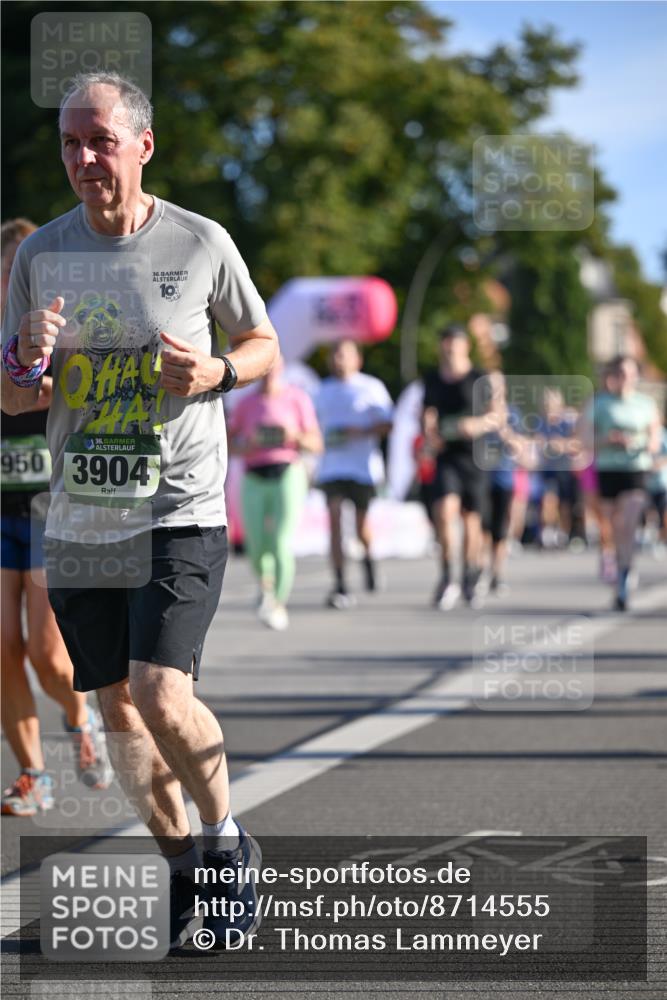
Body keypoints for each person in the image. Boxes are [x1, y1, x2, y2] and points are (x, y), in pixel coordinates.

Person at [1, 73, 279, 949]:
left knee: (162, 692)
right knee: (119, 714)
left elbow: (262, 342)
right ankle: (188, 873)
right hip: (82, 518)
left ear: (143, 145)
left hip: (179, 508)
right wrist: (23, 362)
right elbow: (13, 402)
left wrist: (217, 373)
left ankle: (227, 842)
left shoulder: (199, 243)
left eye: (101, 141)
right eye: (71, 144)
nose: (85, 159)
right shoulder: (39, 255)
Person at [1, 218, 111, 817]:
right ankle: (32, 775)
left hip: (52, 509)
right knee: (1, 648)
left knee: (47, 651)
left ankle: (78, 716)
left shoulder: (69, 330)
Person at [227, 355, 322, 630]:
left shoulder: (297, 399)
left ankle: (278, 603)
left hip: (287, 473)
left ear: (282, 369)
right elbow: (230, 443)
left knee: (280, 542)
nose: (269, 375)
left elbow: (316, 444)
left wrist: (294, 436)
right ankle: (266, 588)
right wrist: (249, 443)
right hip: (254, 475)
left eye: (274, 369)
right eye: (264, 370)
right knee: (257, 545)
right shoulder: (246, 404)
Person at [315, 339, 393, 608]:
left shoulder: (371, 387)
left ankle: (369, 560)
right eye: (335, 354)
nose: (339, 359)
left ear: (357, 359)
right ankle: (340, 584)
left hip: (363, 469)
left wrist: (360, 431)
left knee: (361, 528)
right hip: (331, 468)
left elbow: (388, 425)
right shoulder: (321, 390)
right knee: (335, 519)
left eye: (344, 354)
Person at [580, 355, 661, 610]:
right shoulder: (600, 403)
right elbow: (584, 440)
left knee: (628, 522)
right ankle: (621, 570)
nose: (625, 379)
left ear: (636, 376)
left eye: (629, 373)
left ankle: (625, 574)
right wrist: (608, 440)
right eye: (620, 373)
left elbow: (655, 441)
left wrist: (638, 443)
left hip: (636, 469)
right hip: (608, 469)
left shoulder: (646, 404)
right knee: (615, 528)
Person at [421, 324, 489, 610]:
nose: (449, 348)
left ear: (465, 346)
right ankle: (448, 576)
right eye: (445, 343)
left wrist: (476, 424)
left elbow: (497, 415)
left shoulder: (479, 378)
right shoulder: (433, 379)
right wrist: (429, 430)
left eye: (454, 343)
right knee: (445, 512)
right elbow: (428, 413)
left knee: (471, 521)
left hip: (474, 457)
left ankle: (470, 576)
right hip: (446, 455)